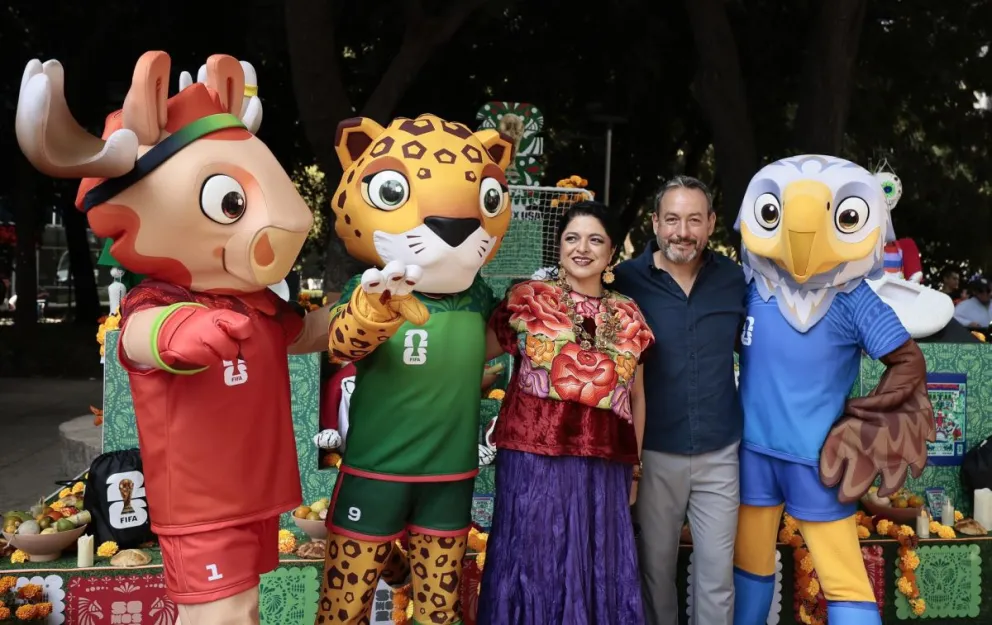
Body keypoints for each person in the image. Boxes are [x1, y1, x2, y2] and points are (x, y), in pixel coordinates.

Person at [478, 201, 655, 625]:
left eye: (595, 240)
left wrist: (635, 469)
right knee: (533, 560)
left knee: (596, 563)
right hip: (532, 456)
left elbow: (637, 397)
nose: (582, 248)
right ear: (559, 247)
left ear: (611, 254)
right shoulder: (527, 300)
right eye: (572, 238)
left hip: (603, 460)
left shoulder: (629, 314)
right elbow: (476, 356)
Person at [613, 176, 747, 625]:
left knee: (716, 576)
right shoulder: (626, 280)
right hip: (653, 452)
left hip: (720, 449)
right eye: (672, 219)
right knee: (654, 573)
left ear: (711, 224)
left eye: (694, 219)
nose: (682, 231)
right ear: (655, 222)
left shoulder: (734, 280)